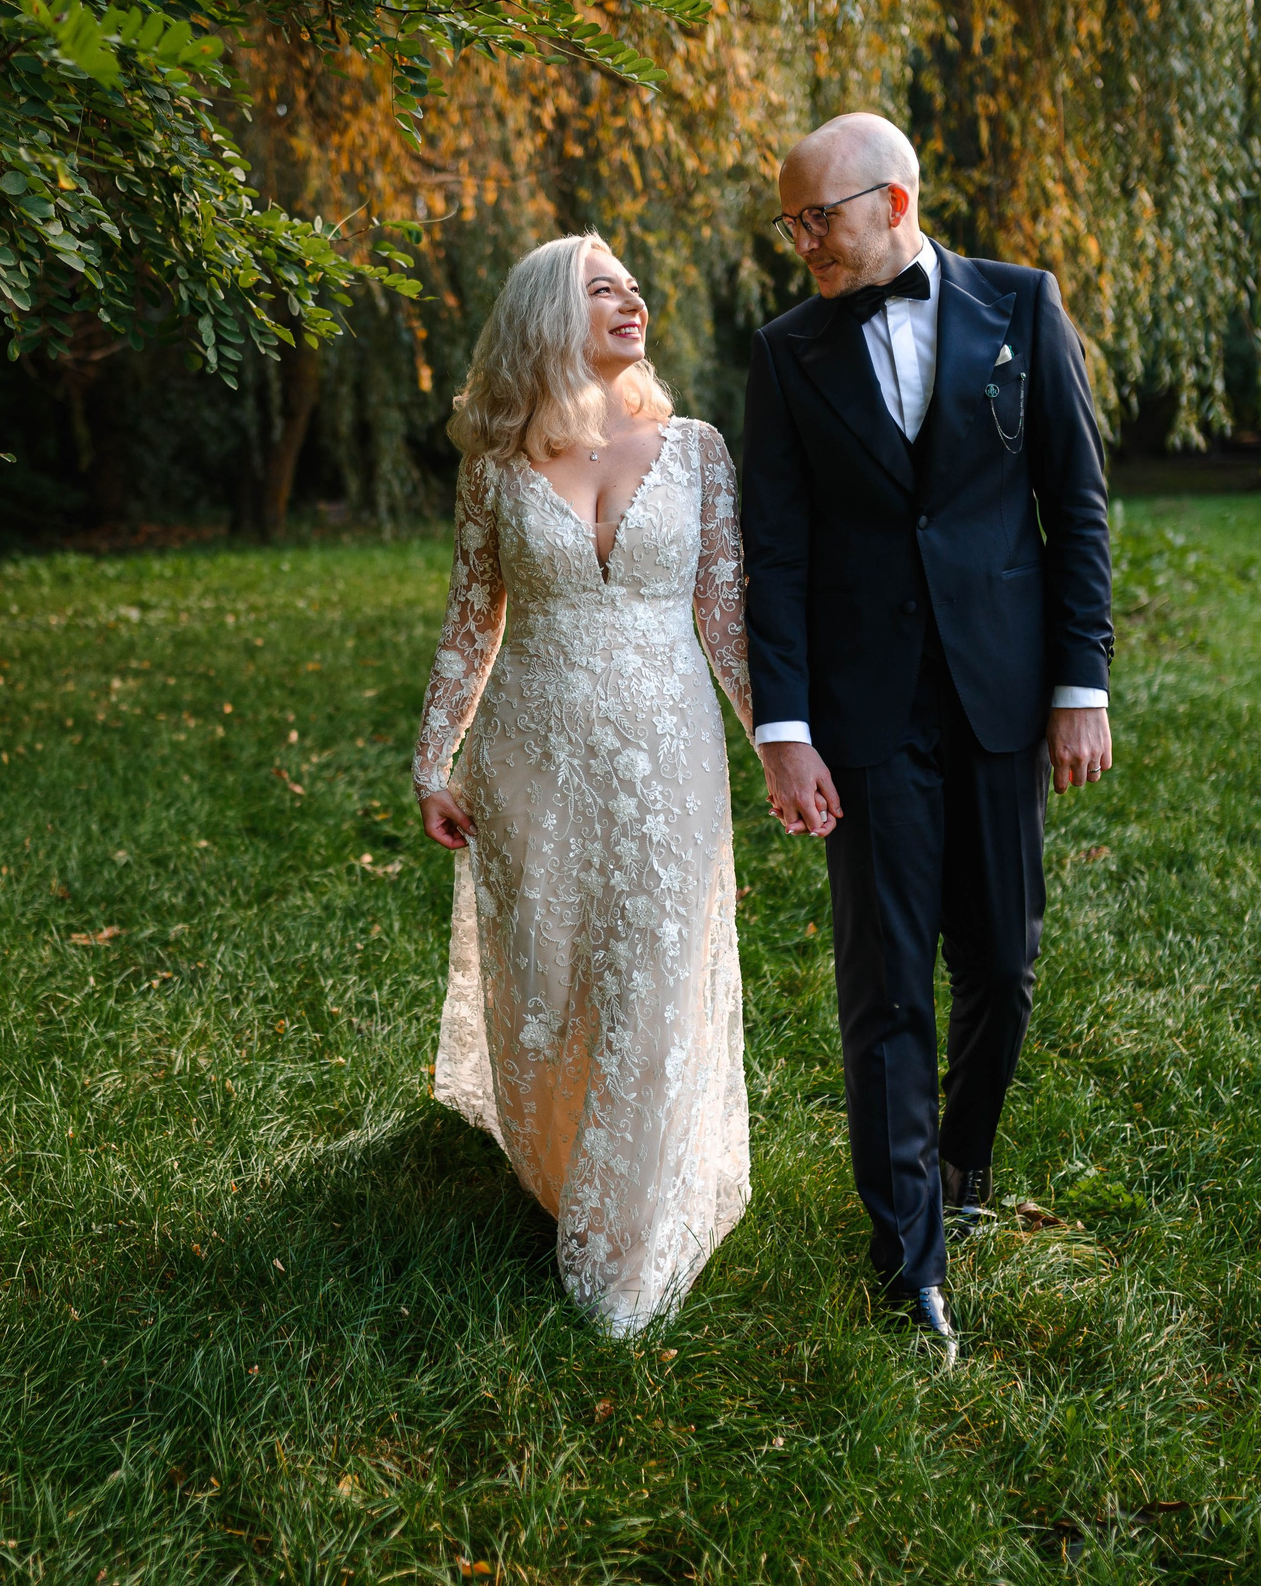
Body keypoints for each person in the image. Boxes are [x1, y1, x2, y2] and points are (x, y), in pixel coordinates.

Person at [739, 114, 1116, 1366]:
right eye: (788, 224)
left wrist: (1081, 683)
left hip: (1003, 692)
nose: (801, 244)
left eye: (818, 219)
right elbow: (775, 551)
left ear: (892, 202)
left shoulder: (1022, 305)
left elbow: (1075, 500)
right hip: (862, 708)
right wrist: (782, 728)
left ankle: (959, 1158)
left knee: (1001, 969)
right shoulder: (788, 354)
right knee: (888, 980)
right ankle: (909, 1260)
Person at [412, 232, 757, 1336]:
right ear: (545, 316)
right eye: (601, 288)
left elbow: (728, 620)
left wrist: (782, 747)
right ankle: (566, 1175)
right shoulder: (497, 466)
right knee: (550, 981)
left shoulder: (696, 449)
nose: (632, 300)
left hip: (669, 756)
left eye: (634, 287)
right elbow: (474, 617)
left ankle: (631, 1240)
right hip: (529, 754)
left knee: (655, 966)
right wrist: (433, 756)